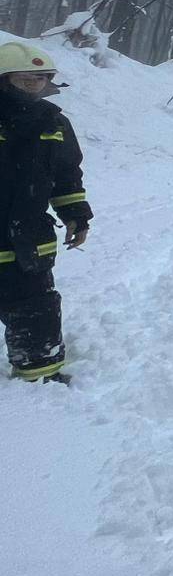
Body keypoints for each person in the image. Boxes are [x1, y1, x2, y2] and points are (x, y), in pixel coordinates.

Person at [0, 40, 92, 383]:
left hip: (29, 239)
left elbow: (67, 174)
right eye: (25, 80)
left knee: (36, 309)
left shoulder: (54, 123)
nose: (33, 86)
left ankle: (39, 380)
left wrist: (77, 215)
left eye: (39, 79)